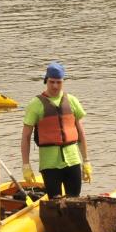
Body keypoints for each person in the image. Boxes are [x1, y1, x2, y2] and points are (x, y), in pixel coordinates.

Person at [21, 61, 91, 198]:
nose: (55, 86)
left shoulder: (72, 101)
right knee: (54, 201)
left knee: (74, 200)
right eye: (52, 82)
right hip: (49, 164)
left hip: (73, 160)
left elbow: (81, 133)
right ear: (46, 81)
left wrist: (86, 160)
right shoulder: (35, 104)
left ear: (63, 82)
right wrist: (26, 165)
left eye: (58, 82)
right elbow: (26, 137)